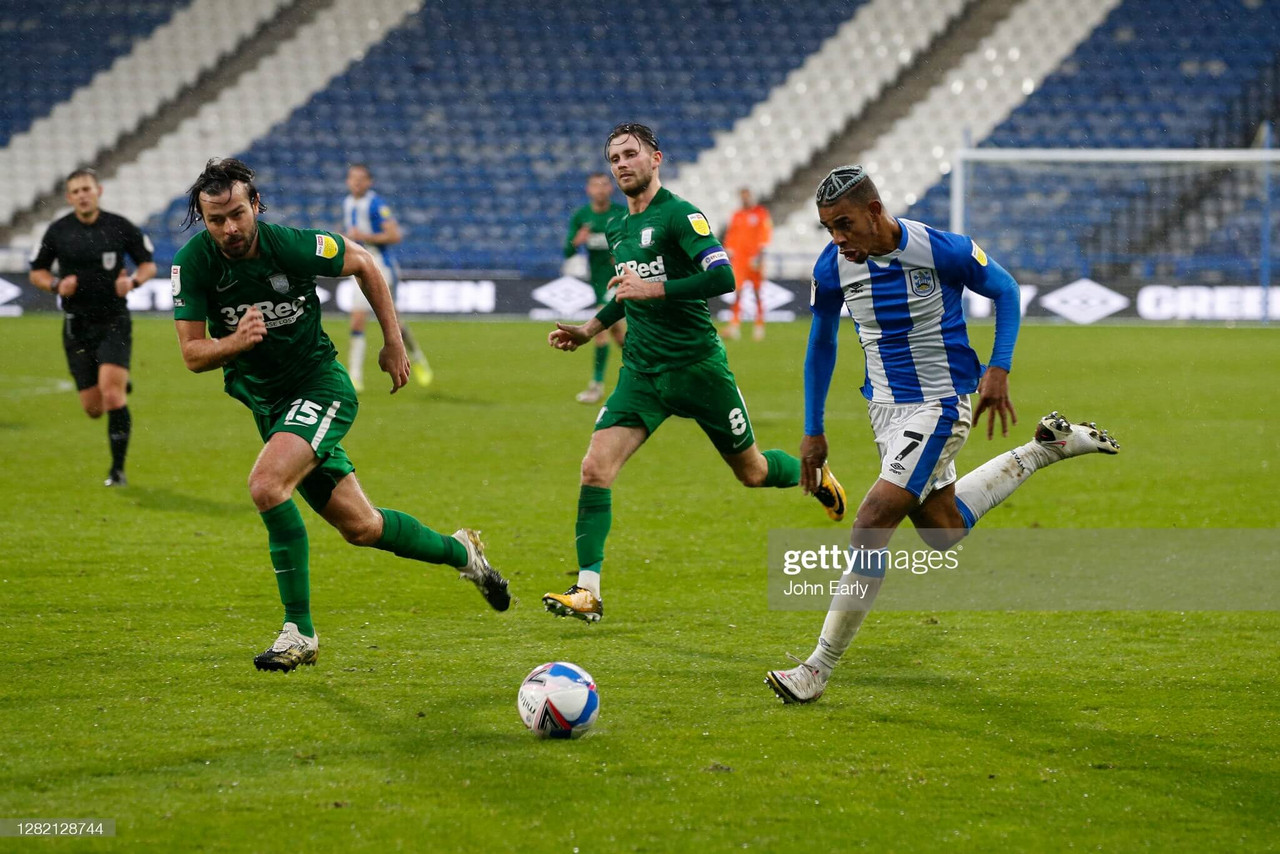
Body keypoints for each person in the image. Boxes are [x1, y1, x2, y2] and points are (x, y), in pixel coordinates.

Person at [764, 165, 1120, 704]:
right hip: (883, 411)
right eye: (827, 228)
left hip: (940, 404)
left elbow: (1005, 290)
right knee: (942, 529)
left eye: (844, 224)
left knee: (871, 521)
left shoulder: (942, 249)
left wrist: (998, 369)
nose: (838, 238)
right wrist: (813, 430)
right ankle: (1045, 448)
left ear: (876, 212)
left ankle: (817, 668)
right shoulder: (833, 266)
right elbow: (821, 345)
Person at [171, 158, 509, 673]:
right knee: (363, 527)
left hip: (320, 388)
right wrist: (233, 343)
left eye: (238, 213)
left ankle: (298, 631)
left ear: (255, 205)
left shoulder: (291, 245)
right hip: (272, 408)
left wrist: (393, 342)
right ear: (203, 217)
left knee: (266, 485)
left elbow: (366, 263)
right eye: (216, 219)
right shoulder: (193, 264)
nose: (230, 228)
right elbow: (192, 354)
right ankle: (464, 555)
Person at [543, 123, 848, 623]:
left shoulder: (681, 216)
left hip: (698, 369)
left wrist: (656, 290)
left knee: (752, 473)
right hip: (641, 373)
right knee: (594, 468)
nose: (621, 164)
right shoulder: (618, 227)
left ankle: (817, 478)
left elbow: (723, 276)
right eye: (614, 157)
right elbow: (627, 292)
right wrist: (588, 328)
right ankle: (588, 590)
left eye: (630, 154)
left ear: (656, 158)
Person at [29, 167, 156, 487]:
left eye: (87, 188)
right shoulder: (58, 231)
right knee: (94, 409)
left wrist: (134, 280)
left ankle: (117, 471)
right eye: (76, 191)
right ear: (69, 197)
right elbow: (37, 273)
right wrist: (57, 285)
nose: (83, 195)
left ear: (98, 190)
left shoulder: (119, 227)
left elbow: (148, 263)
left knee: (112, 398)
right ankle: (118, 382)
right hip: (77, 325)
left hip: (114, 320)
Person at [341, 163, 432, 392]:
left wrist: (365, 236)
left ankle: (418, 359)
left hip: (382, 266)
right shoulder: (348, 203)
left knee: (394, 324)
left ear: (369, 182)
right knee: (357, 319)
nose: (356, 183)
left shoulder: (376, 204)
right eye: (353, 178)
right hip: (358, 265)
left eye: (361, 179)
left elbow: (394, 234)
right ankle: (354, 377)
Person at [564, 172, 627, 403]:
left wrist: (621, 253)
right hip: (598, 282)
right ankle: (654, 373)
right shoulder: (582, 216)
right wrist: (577, 240)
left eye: (604, 185)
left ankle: (596, 386)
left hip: (618, 279)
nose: (600, 189)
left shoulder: (620, 213)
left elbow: (633, 240)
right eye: (595, 186)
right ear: (588, 190)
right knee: (620, 336)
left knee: (599, 329)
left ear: (610, 189)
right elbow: (568, 251)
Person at [723, 187, 773, 341]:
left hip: (754, 260)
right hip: (740, 260)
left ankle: (759, 325)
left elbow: (765, 234)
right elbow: (730, 236)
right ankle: (734, 325)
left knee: (757, 293)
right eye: (742, 196)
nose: (745, 199)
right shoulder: (736, 215)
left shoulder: (760, 213)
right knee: (738, 293)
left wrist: (761, 255)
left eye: (747, 196)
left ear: (751, 197)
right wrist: (729, 253)